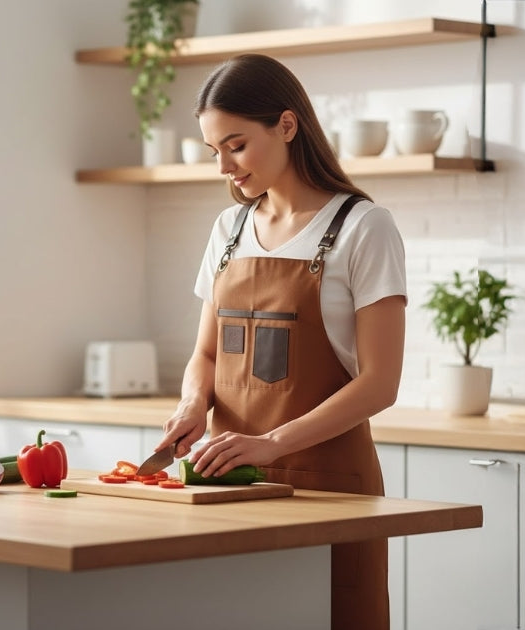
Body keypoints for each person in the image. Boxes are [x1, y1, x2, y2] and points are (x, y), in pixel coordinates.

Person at [153, 53, 407, 630]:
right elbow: (207, 353)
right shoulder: (229, 229)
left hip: (331, 490)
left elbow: (380, 383)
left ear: (287, 126)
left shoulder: (364, 227)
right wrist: (194, 403)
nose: (224, 167)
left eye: (236, 145)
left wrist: (271, 443)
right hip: (230, 487)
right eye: (214, 150)